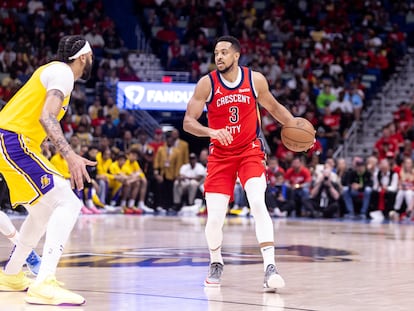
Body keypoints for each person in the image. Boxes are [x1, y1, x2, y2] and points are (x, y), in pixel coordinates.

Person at [183, 35, 295, 290]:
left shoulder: (254, 80)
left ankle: (270, 267)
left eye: (224, 52)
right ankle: (216, 261)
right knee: (214, 218)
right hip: (220, 155)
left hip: (249, 150)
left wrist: (296, 125)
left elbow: (275, 109)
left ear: (236, 55)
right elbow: (188, 122)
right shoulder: (206, 84)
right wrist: (211, 132)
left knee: (257, 201)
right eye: (215, 53)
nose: (219, 57)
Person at [0, 35, 95, 306]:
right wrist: (70, 155)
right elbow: (47, 117)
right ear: (83, 58)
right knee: (68, 202)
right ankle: (44, 283)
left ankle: (11, 273)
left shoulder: (55, 72)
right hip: (13, 141)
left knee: (42, 212)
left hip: (13, 142)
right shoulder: (63, 72)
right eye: (90, 57)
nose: (92, 61)